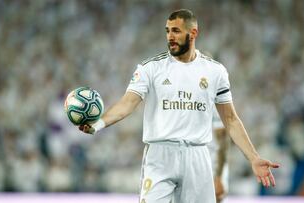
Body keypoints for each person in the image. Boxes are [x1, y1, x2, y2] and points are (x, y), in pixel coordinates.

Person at [80, 9, 279, 203]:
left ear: (193, 33)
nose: (170, 37)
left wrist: (253, 157)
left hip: (197, 156)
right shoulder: (151, 68)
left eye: (176, 31)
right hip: (160, 154)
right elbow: (127, 103)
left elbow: (230, 119)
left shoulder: (215, 71)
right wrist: (98, 124)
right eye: (167, 31)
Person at [209, 108, 230, 203]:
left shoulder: (215, 105)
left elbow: (222, 144)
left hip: (213, 167)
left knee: (215, 198)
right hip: (196, 164)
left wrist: (218, 176)